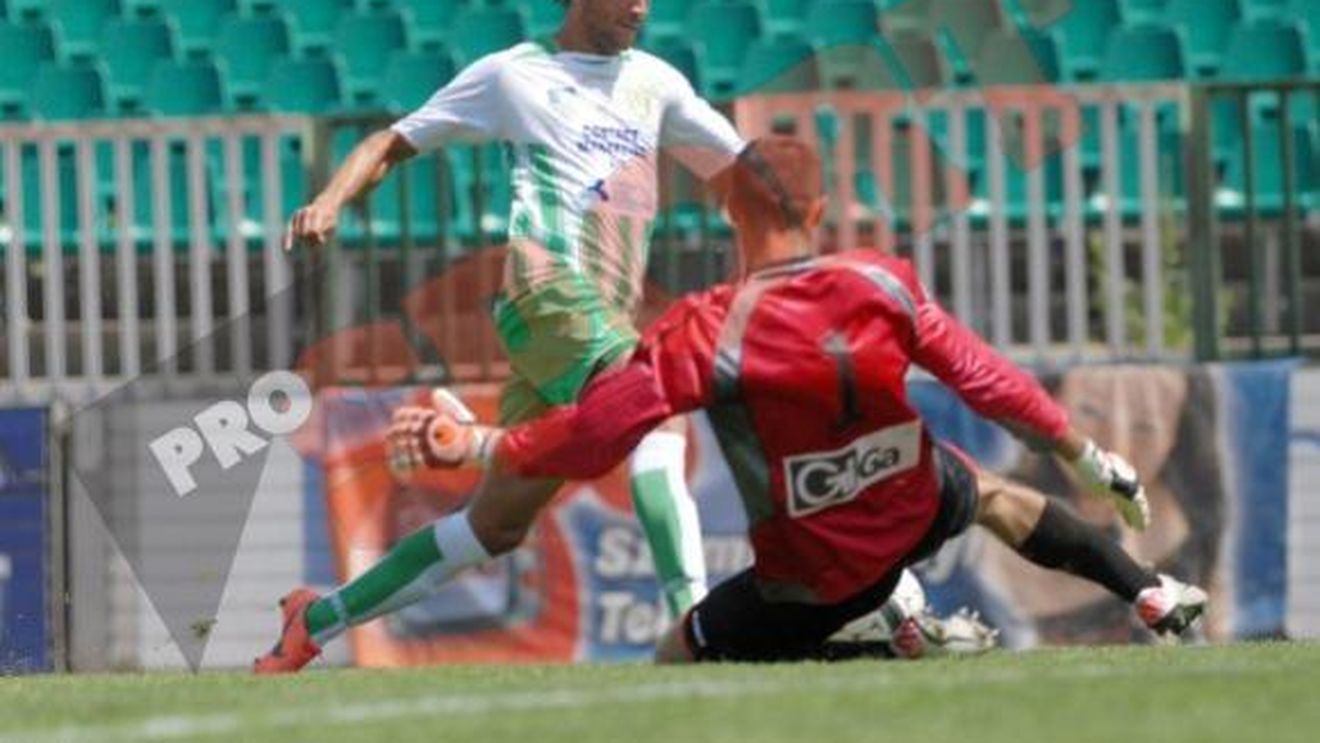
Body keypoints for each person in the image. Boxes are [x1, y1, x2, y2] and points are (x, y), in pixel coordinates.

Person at [383, 135, 1206, 662]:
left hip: (808, 572)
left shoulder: (709, 325)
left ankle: (878, 640)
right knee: (989, 492)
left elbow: (598, 431)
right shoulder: (883, 278)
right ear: (817, 211)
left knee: (678, 653)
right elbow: (985, 378)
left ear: (727, 208)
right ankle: (1146, 587)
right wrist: (1084, 454)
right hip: (912, 503)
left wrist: (488, 446)